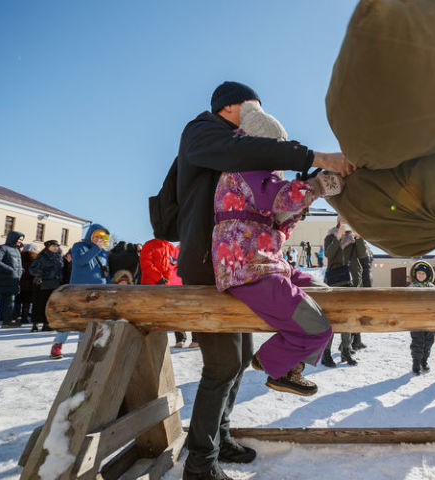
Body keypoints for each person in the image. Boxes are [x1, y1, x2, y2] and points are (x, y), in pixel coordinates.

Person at [176, 81, 353, 480]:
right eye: (252, 107)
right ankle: (200, 462)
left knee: (236, 362)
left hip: (243, 260)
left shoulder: (242, 149)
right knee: (221, 367)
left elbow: (273, 203)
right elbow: (263, 174)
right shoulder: (207, 134)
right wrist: (311, 173)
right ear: (231, 107)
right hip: (219, 265)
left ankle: (218, 440)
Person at [213, 100, 342, 398]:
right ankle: (276, 366)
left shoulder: (258, 175)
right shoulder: (244, 170)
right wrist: (317, 188)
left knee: (324, 293)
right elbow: (277, 197)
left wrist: (299, 205)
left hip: (266, 262)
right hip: (247, 269)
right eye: (276, 147)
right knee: (316, 326)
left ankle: (287, 358)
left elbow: (278, 219)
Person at [50, 224, 110, 359]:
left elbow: (105, 271)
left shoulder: (103, 251)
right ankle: (57, 345)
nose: (99, 239)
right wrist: (96, 248)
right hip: (79, 290)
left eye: (102, 237)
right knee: (70, 318)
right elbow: (81, 261)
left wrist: (109, 286)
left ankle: (82, 347)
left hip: (97, 291)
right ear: (90, 235)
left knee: (89, 321)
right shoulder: (79, 246)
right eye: (96, 236)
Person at [320, 216, 362, 367]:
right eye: (343, 219)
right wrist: (338, 238)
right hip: (333, 282)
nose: (346, 222)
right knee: (332, 320)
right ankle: (326, 354)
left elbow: (361, 256)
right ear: (338, 221)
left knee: (347, 319)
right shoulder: (330, 236)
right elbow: (328, 255)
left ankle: (346, 351)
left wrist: (359, 236)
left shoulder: (352, 239)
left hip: (349, 282)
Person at [408, 261, 435, 375]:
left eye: (423, 273)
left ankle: (424, 361)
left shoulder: (433, 288)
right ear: (415, 274)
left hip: (430, 320)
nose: (421, 275)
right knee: (417, 341)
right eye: (419, 273)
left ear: (428, 275)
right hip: (416, 320)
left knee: (429, 341)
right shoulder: (411, 288)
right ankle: (416, 362)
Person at [29, 240, 64, 332]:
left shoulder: (59, 257)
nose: (56, 248)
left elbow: (61, 269)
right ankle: (35, 323)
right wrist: (44, 274)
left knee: (50, 305)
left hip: (55, 284)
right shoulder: (42, 256)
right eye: (53, 246)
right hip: (43, 284)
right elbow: (32, 269)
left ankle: (47, 324)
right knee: (40, 304)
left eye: (57, 246)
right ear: (48, 247)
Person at [0, 231, 25, 327]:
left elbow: (17, 264)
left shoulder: (17, 250)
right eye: (19, 239)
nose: (20, 241)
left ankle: (5, 319)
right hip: (5, 279)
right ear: (12, 238)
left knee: (7, 300)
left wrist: (21, 270)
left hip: (14, 279)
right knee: (9, 301)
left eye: (21, 240)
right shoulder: (2, 248)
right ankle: (7, 321)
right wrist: (11, 270)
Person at [16, 243, 39, 325]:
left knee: (18, 301)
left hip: (20, 283)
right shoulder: (35, 259)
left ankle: (18, 316)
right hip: (31, 284)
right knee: (28, 301)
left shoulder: (19, 257)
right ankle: (25, 317)